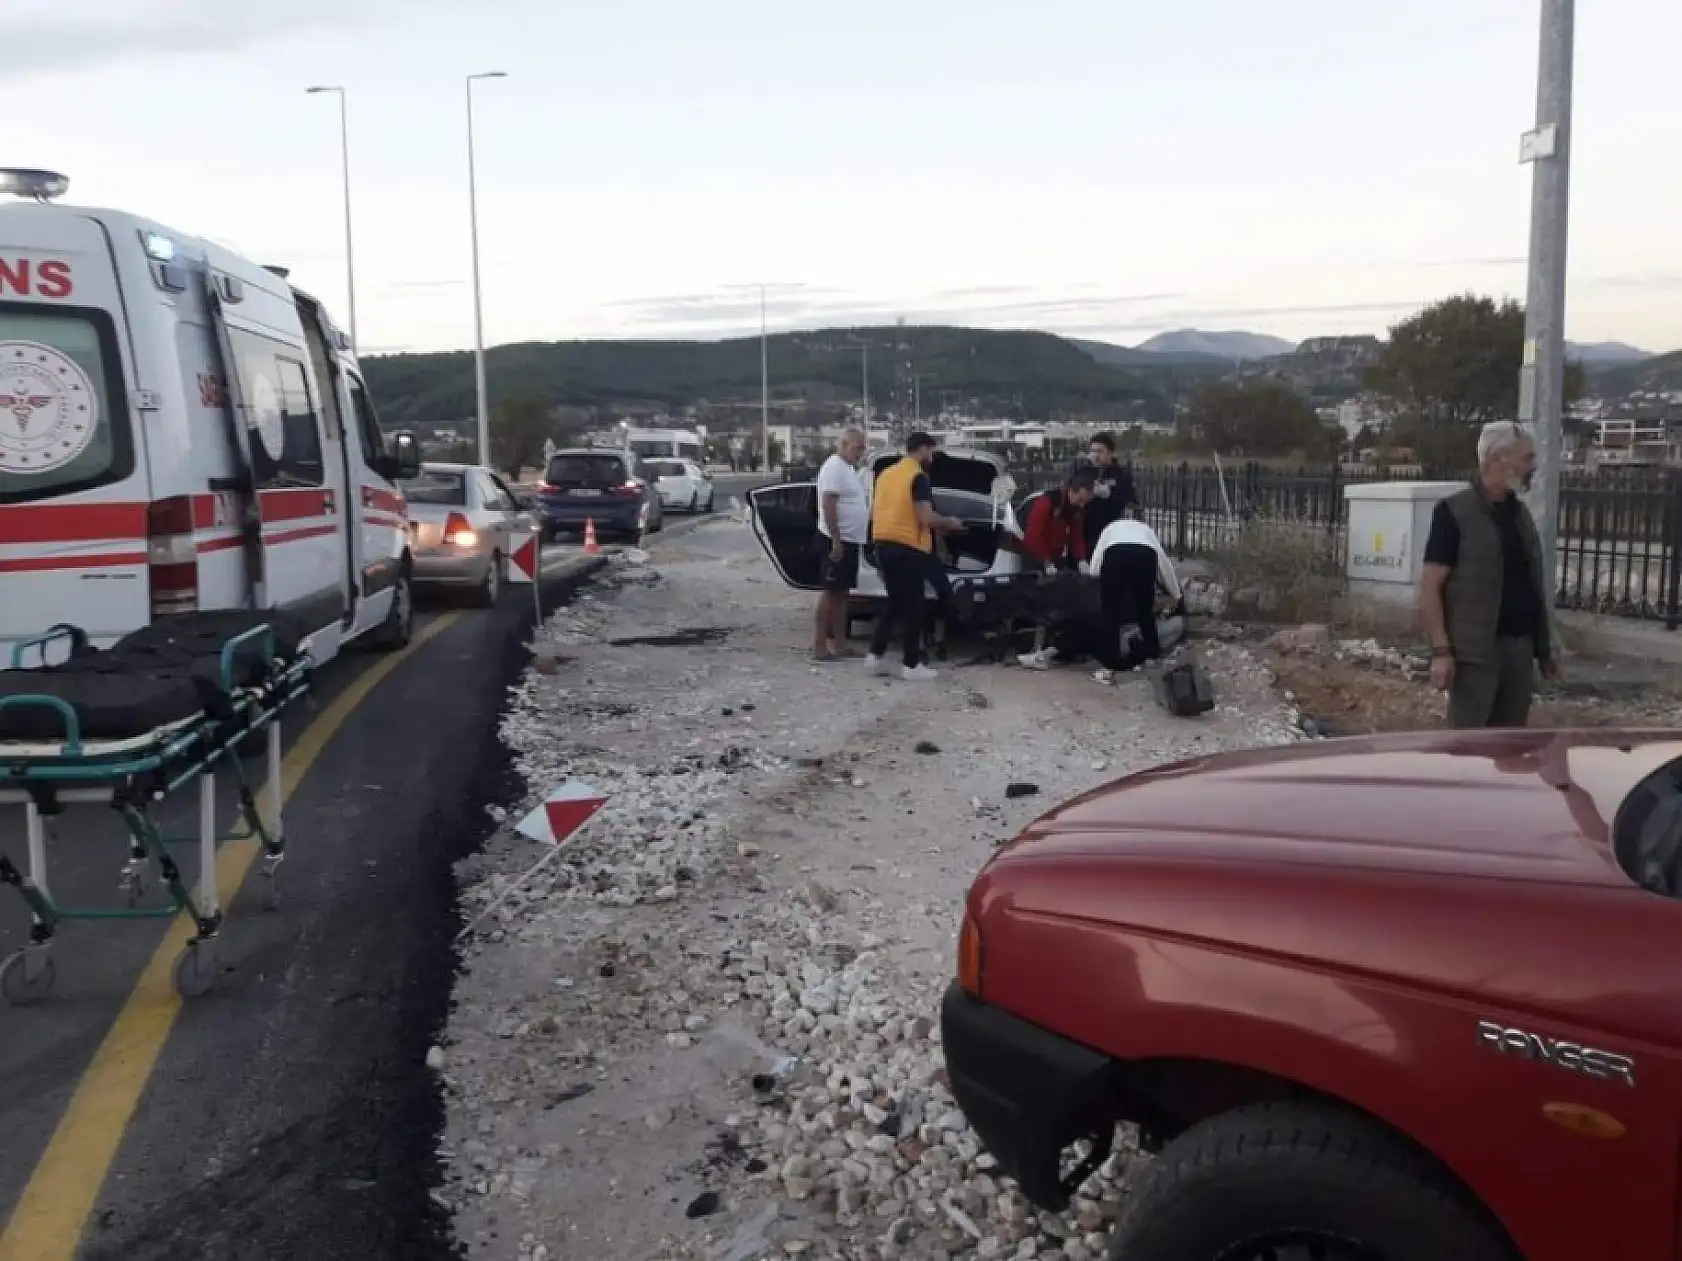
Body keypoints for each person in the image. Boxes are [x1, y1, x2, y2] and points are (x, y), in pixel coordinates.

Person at [1419, 421, 1559, 728]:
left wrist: (1545, 649)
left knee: (1509, 748)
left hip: (1519, 651)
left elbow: (1531, 584)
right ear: (1499, 459)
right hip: (1475, 655)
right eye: (1526, 458)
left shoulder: (1520, 515)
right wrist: (1441, 652)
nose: (1532, 466)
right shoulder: (1453, 513)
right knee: (1467, 748)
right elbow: (1431, 588)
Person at [866, 432, 963, 681]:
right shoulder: (917, 476)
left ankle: (875, 656)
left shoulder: (886, 475)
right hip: (907, 548)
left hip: (882, 545)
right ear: (922, 450)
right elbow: (926, 518)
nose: (932, 456)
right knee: (915, 606)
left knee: (896, 603)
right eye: (931, 451)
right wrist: (950, 523)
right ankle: (911, 665)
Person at [1088, 514, 1182, 678]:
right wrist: (1176, 593)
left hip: (1115, 555)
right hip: (1145, 556)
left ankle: (1110, 663)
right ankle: (1152, 656)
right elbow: (1163, 563)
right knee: (1144, 610)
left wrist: (1094, 575)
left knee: (1110, 615)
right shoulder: (1147, 531)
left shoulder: (1110, 528)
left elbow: (1096, 561)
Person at [812, 427, 869, 661]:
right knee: (830, 593)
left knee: (842, 593)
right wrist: (836, 539)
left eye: (863, 448)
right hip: (836, 539)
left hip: (849, 539)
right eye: (858, 447)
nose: (861, 452)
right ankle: (819, 645)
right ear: (844, 445)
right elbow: (828, 504)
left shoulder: (847, 469)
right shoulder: (835, 467)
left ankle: (841, 644)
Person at [1073, 432, 1140, 556]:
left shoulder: (1120, 475)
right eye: (1093, 451)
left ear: (1111, 453)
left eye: (1100, 451)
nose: (1095, 455)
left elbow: (1130, 502)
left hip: (1110, 531)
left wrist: (1109, 495)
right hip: (1084, 532)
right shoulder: (1082, 472)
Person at [1020, 471, 1097, 573]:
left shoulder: (1076, 508)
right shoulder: (1047, 502)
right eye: (1080, 500)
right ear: (1071, 491)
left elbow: (1076, 536)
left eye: (1085, 502)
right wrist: (1046, 561)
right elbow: (1033, 535)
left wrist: (1081, 559)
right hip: (1035, 555)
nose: (1082, 505)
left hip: (1056, 555)